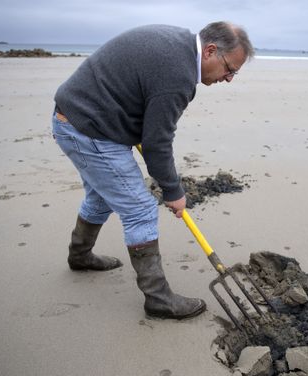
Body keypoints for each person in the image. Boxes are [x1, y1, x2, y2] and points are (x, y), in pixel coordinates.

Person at [52, 22, 254, 320]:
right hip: (89, 129)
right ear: (211, 50)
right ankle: (158, 298)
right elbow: (157, 142)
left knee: (102, 195)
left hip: (81, 117)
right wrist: (173, 191)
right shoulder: (179, 75)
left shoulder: (178, 44)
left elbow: (139, 96)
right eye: (229, 69)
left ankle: (79, 256)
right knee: (141, 210)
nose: (229, 79)